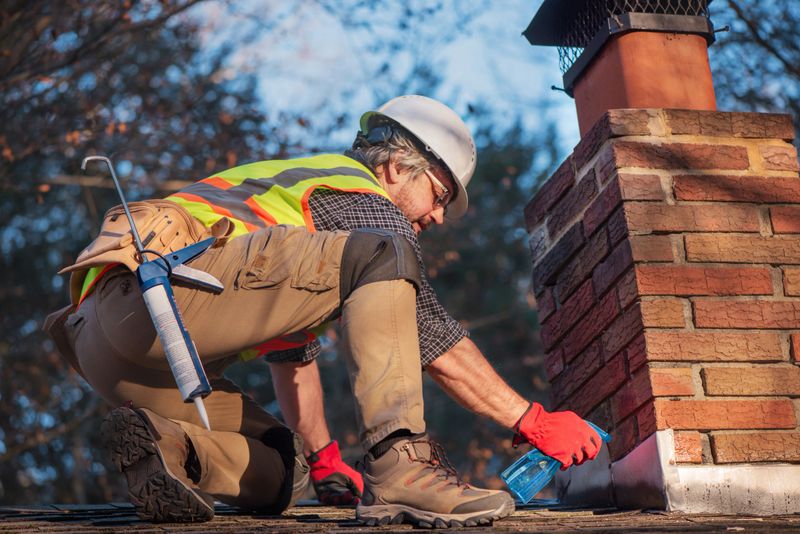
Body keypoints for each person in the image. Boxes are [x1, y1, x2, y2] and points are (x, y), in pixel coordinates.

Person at [45, 95, 601, 527]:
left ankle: (171, 451)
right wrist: (530, 419)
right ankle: (399, 462)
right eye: (437, 194)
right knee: (387, 255)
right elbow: (426, 324)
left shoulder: (293, 236)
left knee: (286, 470)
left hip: (108, 343)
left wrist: (325, 455)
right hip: (151, 299)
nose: (436, 217)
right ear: (394, 168)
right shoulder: (354, 191)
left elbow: (293, 354)